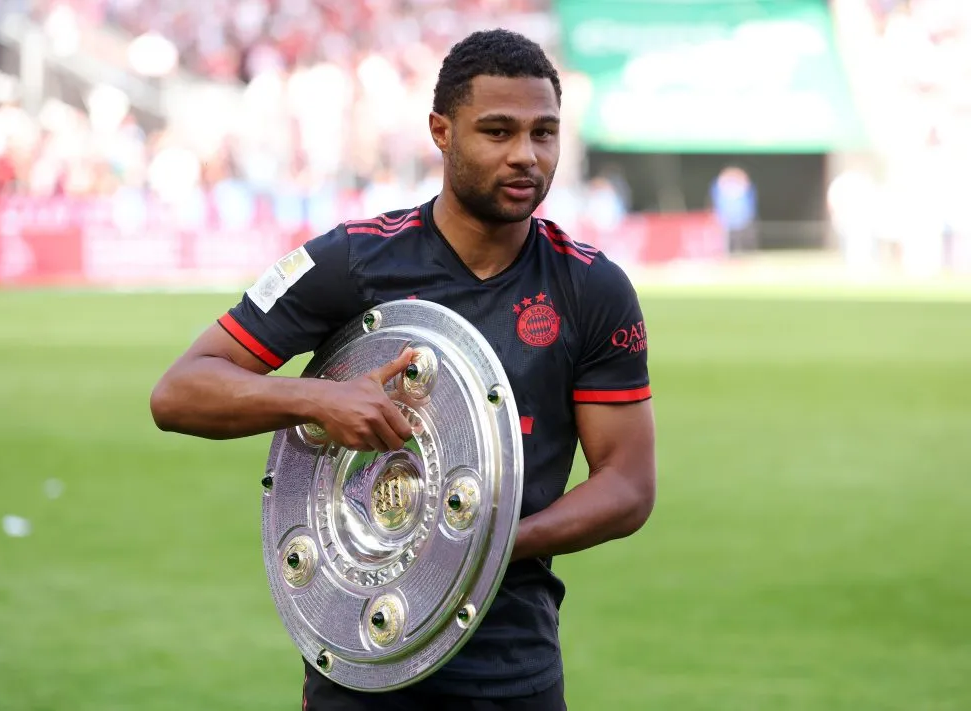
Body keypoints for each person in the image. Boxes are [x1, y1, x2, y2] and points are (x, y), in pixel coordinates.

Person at [150, 28, 657, 711]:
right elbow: (179, 392)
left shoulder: (591, 288)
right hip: (360, 664)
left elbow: (628, 485)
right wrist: (315, 400)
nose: (525, 156)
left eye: (544, 133)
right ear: (440, 132)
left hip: (512, 669)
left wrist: (478, 546)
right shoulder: (352, 261)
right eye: (497, 131)